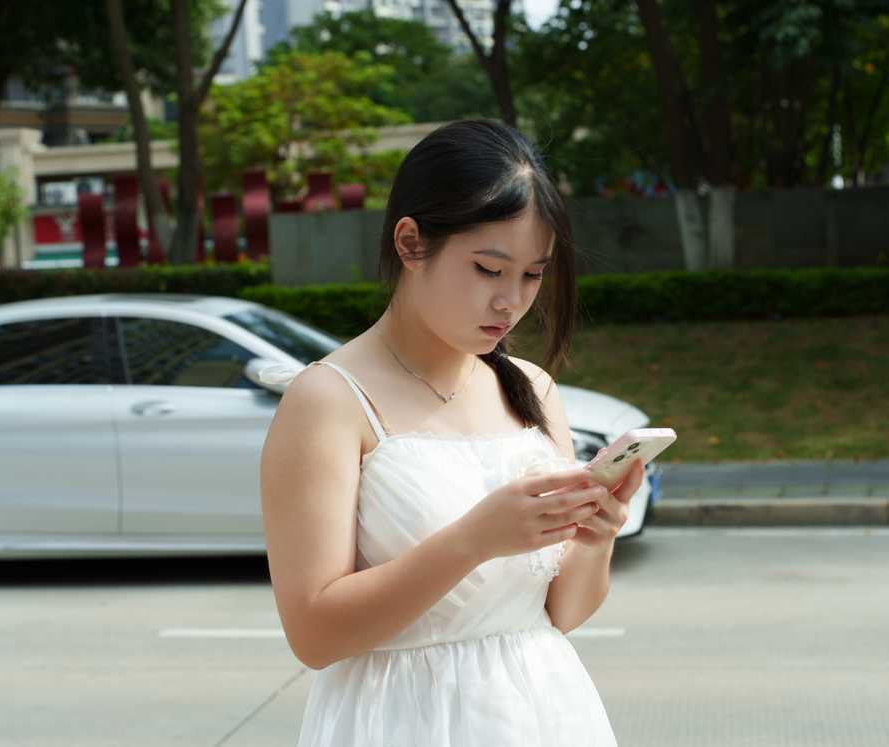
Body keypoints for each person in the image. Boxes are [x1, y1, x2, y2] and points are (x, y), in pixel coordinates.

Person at [259, 119, 645, 746]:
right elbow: (314, 635)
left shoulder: (533, 389)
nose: (511, 302)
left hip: (545, 711)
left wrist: (597, 536)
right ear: (411, 243)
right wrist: (474, 540)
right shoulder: (328, 400)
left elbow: (560, 614)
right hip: (400, 721)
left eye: (532, 274)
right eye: (489, 269)